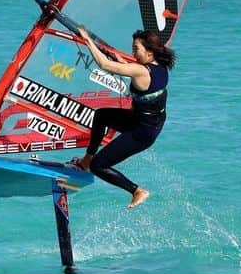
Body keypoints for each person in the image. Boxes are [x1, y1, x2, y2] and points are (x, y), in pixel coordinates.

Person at [69, 27, 175, 209]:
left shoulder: (141, 71)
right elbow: (134, 71)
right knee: (101, 115)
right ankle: (86, 160)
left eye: (136, 49)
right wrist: (121, 62)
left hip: (141, 132)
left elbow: (105, 65)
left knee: (99, 166)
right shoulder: (161, 67)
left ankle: (136, 190)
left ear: (149, 52)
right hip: (146, 123)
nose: (133, 52)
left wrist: (87, 40)